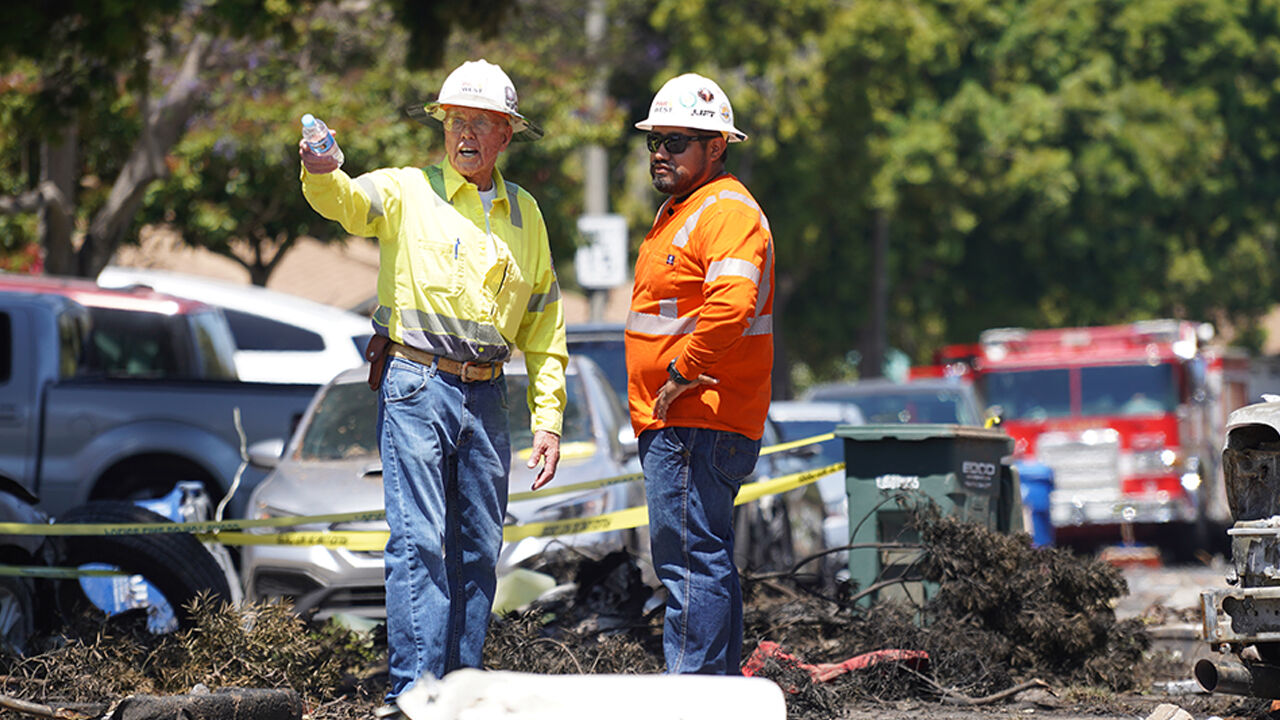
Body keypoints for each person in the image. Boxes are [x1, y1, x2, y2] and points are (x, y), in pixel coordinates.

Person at [298, 59, 568, 712]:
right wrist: (322, 168)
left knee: (477, 551)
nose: (465, 134)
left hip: (486, 396)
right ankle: (414, 695)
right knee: (418, 543)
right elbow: (348, 204)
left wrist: (549, 417)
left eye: (480, 123)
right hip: (417, 385)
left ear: (506, 134)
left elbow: (544, 325)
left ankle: (459, 691)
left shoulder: (525, 216)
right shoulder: (407, 190)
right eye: (456, 121)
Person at [625, 73, 775, 675]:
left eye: (677, 141)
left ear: (716, 147)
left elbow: (733, 303)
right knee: (703, 557)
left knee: (690, 560)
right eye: (655, 140)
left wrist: (684, 370)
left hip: (697, 418)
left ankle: (692, 696)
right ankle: (717, 694)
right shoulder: (684, 210)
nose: (661, 152)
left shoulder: (725, 210)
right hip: (686, 420)